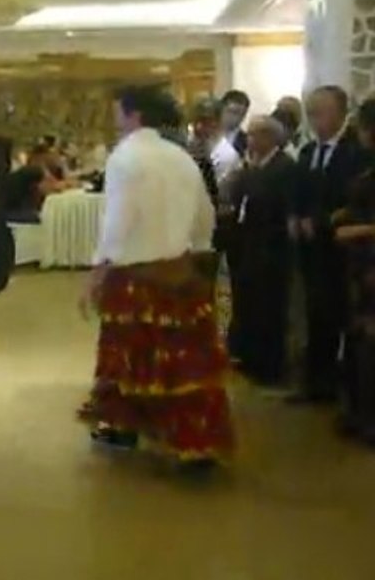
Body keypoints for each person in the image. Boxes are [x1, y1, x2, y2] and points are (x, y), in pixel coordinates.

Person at [80, 86, 233, 469]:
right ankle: (194, 440)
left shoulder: (126, 156)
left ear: (133, 115)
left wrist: (98, 269)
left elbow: (118, 219)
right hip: (181, 270)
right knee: (184, 361)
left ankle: (123, 428)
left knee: (130, 359)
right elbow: (205, 217)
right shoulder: (181, 158)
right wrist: (195, 252)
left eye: (118, 111)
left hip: (135, 274)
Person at [290, 85, 369, 406]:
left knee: (345, 322)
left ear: (340, 113)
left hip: (343, 252)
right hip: (311, 252)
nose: (314, 119)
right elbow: (298, 191)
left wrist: (321, 222)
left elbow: (351, 202)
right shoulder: (308, 153)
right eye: (310, 113)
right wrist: (294, 217)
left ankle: (349, 393)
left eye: (320, 112)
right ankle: (316, 385)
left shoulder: (356, 154)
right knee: (315, 317)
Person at [229, 115, 298, 386]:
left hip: (272, 248)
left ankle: (270, 366)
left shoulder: (284, 168)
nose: (250, 139)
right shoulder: (252, 167)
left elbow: (284, 209)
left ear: (270, 137)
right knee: (249, 305)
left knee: (270, 308)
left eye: (256, 134)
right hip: (247, 246)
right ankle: (249, 357)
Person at [333, 98, 375, 442]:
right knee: (359, 342)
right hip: (360, 267)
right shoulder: (367, 170)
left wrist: (355, 229)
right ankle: (360, 413)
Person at [220, 89, 251, 156]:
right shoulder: (205, 133)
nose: (237, 119)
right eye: (233, 112)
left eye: (242, 114)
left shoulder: (247, 142)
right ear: (221, 109)